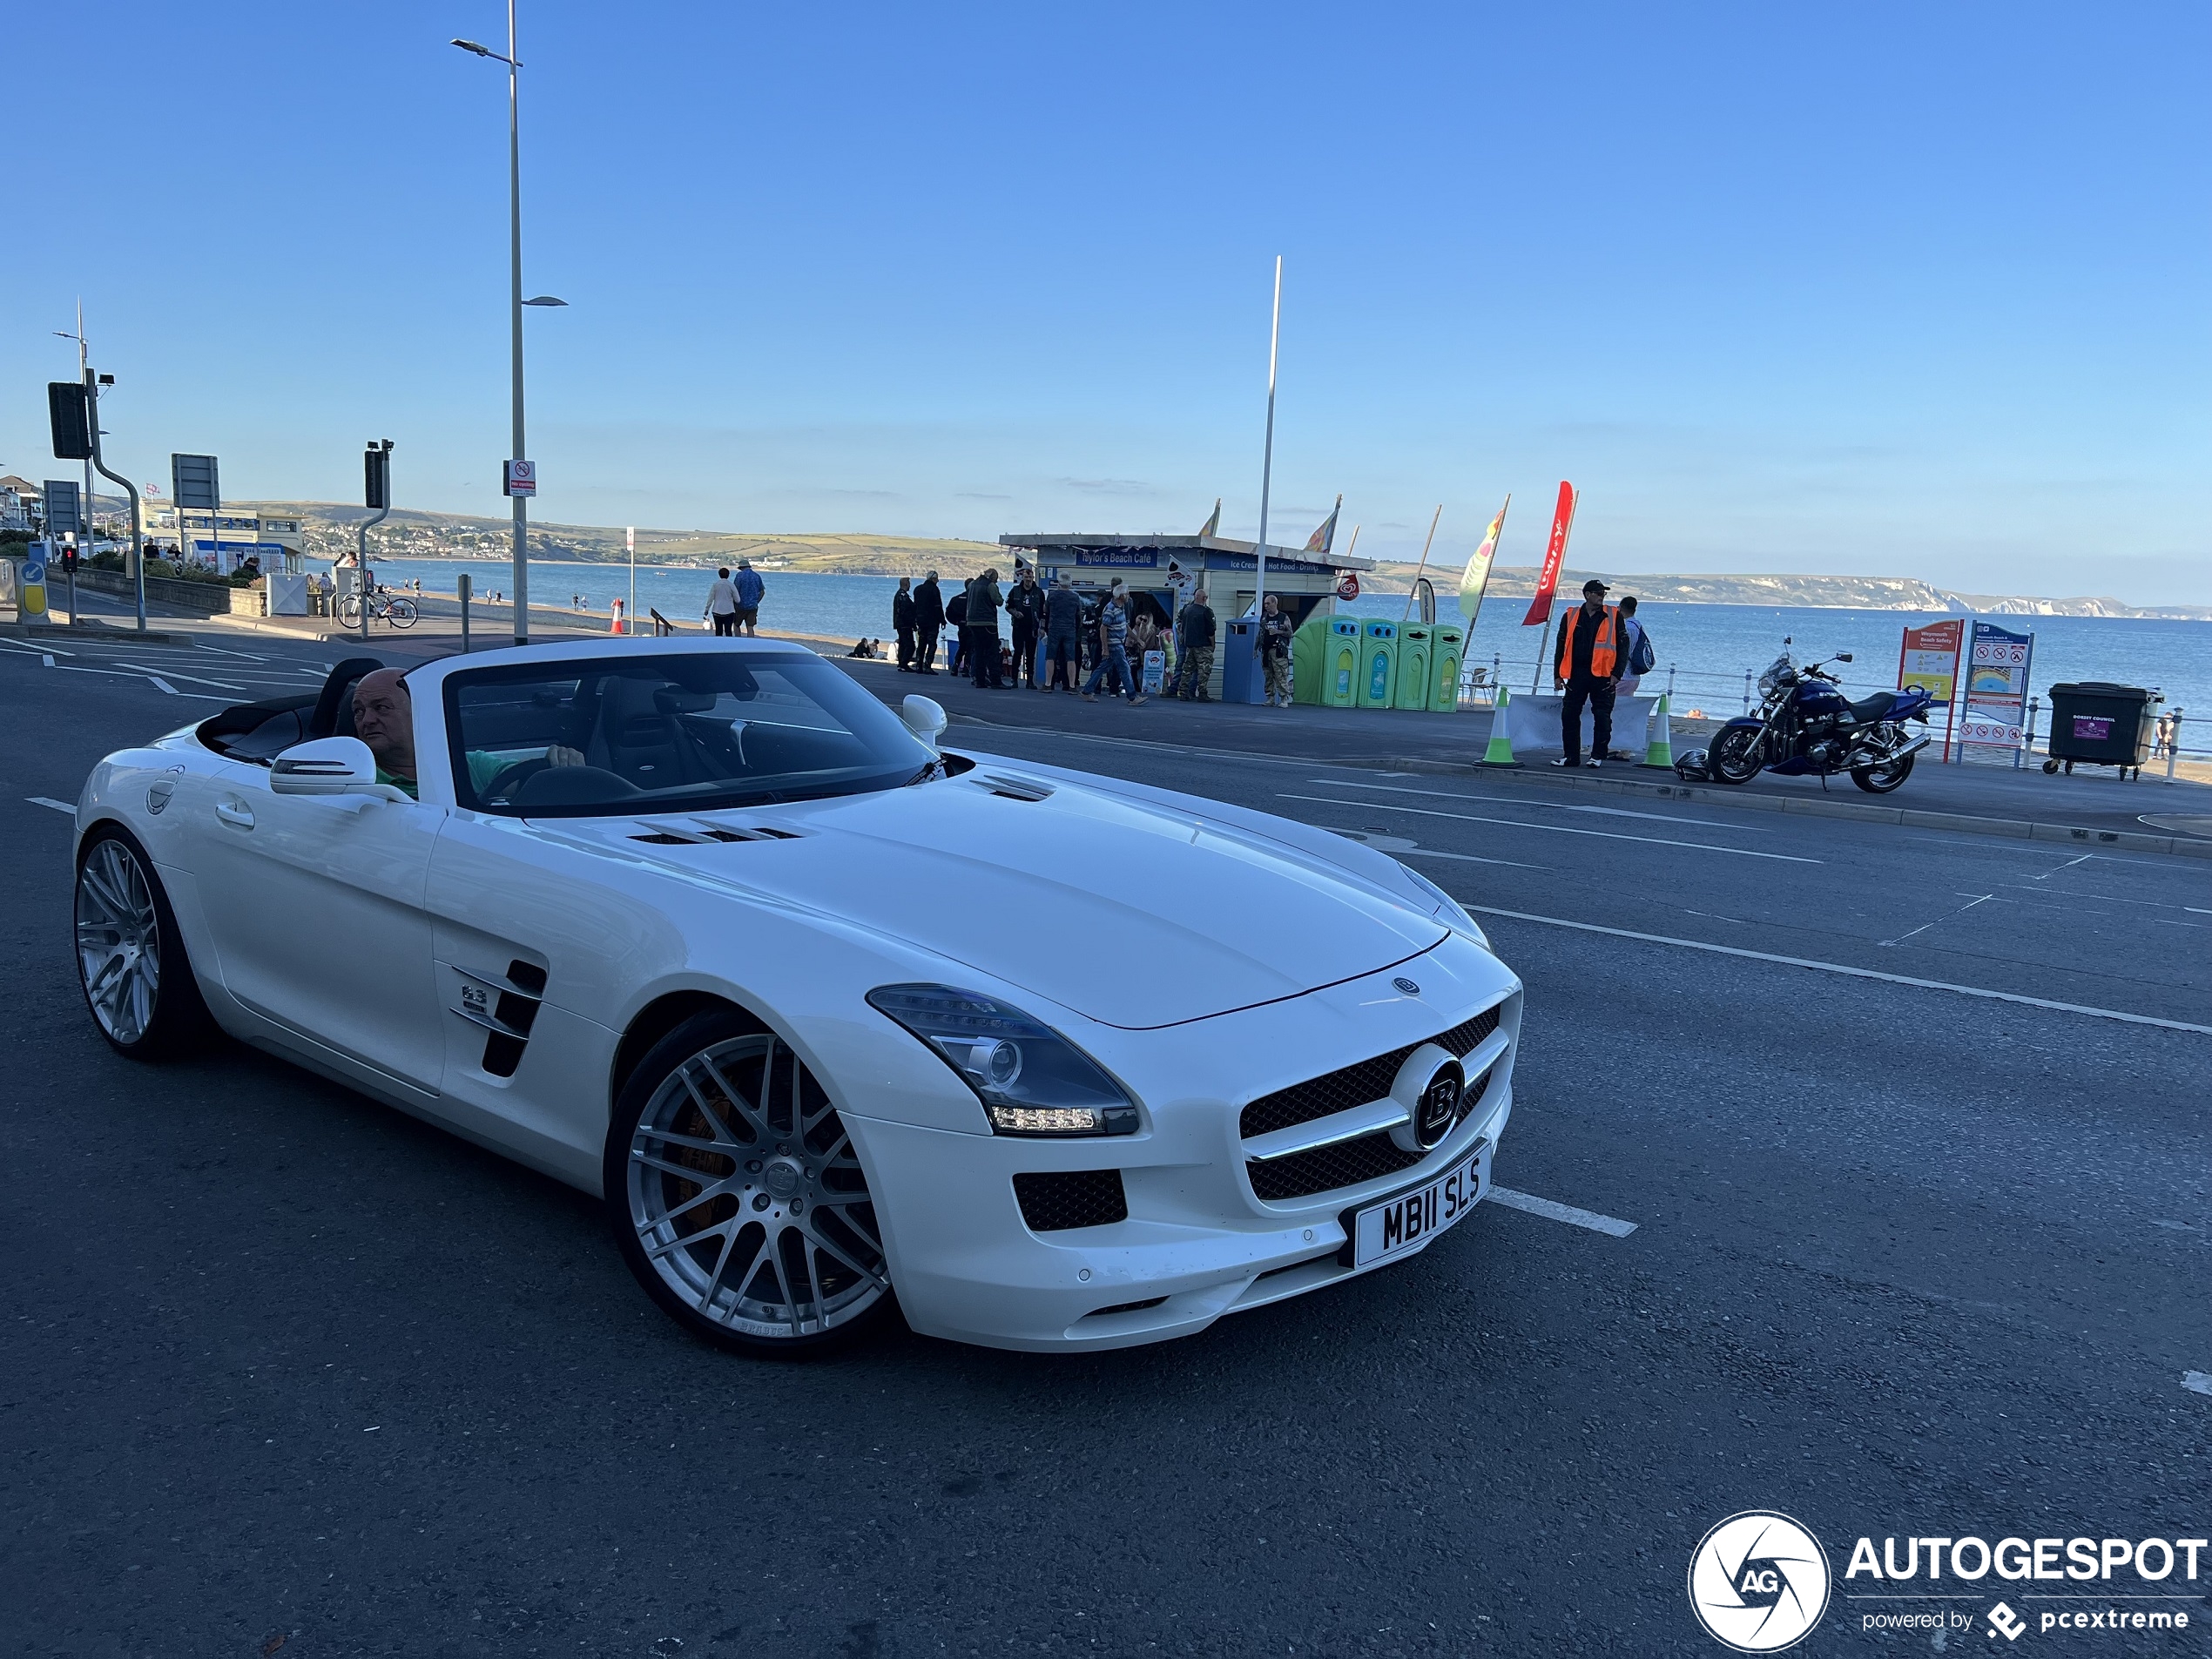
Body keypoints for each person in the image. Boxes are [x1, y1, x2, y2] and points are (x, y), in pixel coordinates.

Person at [351, 668, 583, 799]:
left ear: (421, 713)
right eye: (359, 711)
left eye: (381, 708)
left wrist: (561, 767)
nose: (367, 720)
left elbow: (522, 781)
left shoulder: (468, 764)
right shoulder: (351, 777)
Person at [1552, 578, 1626, 767]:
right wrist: (1557, 675)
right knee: (1569, 714)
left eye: (1604, 594)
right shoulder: (1570, 615)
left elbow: (1624, 646)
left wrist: (1617, 673)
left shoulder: (1614, 615)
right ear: (1587, 595)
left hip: (1603, 676)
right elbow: (1561, 645)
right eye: (1599, 593)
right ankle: (1571, 756)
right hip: (1577, 674)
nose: (1602, 597)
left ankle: (1597, 756)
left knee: (1602, 717)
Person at [1082, 582, 1146, 704]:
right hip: (1114, 644)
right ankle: (1132, 697)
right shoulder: (1110, 609)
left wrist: (1137, 639)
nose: (1128, 596)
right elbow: (1103, 628)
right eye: (1127, 594)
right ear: (1121, 596)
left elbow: (1125, 626)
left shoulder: (1120, 608)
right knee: (1125, 668)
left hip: (1117, 643)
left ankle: (1087, 690)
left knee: (1102, 668)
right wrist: (1105, 648)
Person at [1169, 587, 1216, 700]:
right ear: (1204, 598)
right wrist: (1212, 645)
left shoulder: (1187, 610)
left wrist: (1183, 638)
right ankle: (1202, 693)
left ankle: (1183, 692)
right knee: (1204, 670)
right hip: (1203, 646)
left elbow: (1179, 625)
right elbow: (1211, 631)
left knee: (1187, 669)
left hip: (1189, 645)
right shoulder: (1207, 611)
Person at [1043, 572, 1083, 691]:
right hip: (1070, 629)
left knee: (1051, 657)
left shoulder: (1052, 596)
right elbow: (1078, 615)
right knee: (1071, 658)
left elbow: (1045, 610)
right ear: (1070, 583)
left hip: (1054, 628)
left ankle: (1048, 684)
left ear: (1058, 583)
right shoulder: (1075, 597)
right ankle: (1071, 685)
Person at [1006, 566, 1044, 688]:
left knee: (1031, 654)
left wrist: (1042, 627)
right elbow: (1008, 606)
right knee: (1017, 652)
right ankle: (1014, 679)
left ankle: (1030, 681)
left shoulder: (1039, 592)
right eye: (1026, 577)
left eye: (1030, 577)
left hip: (1032, 627)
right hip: (1018, 626)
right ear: (1022, 577)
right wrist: (1015, 613)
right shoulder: (1015, 591)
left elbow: (1043, 612)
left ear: (1033, 578)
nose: (1028, 580)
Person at [967, 568, 1004, 688]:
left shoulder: (972, 584)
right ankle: (996, 681)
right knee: (992, 652)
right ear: (993, 577)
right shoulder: (990, 585)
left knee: (978, 652)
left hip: (972, 622)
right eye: (996, 579)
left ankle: (979, 680)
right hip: (987, 622)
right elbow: (998, 601)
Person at [1258, 592, 1294, 708]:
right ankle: (1270, 698)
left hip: (1278, 650)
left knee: (1281, 674)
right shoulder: (1264, 617)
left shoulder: (1283, 617)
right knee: (1268, 675)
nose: (1266, 606)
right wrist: (1256, 648)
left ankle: (1284, 698)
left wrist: (1278, 632)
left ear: (1275, 603)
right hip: (1266, 650)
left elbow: (1290, 633)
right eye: (1265, 604)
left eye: (1268, 603)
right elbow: (1260, 633)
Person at [1615, 595, 1654, 698]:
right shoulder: (1638, 626)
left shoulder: (1627, 628)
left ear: (1621, 608)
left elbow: (1623, 651)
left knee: (1613, 706)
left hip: (1624, 676)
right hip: (1634, 677)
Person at [913, 571, 944, 674]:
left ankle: (919, 665)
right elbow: (938, 606)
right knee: (932, 643)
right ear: (933, 579)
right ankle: (927, 665)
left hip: (921, 620)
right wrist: (942, 620)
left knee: (922, 643)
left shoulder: (918, 589)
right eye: (936, 579)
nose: (937, 581)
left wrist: (915, 619)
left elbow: (915, 606)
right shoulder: (934, 589)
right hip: (932, 621)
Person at [732, 558, 765, 635]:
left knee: (736, 625)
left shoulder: (739, 576)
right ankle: (751, 643)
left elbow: (735, 591)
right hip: (753, 606)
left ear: (741, 568)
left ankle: (738, 642)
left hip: (740, 605)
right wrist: (756, 602)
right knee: (750, 627)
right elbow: (762, 592)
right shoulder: (757, 576)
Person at [705, 567, 739, 637]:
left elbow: (710, 599)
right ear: (728, 575)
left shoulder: (715, 585)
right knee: (728, 630)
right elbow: (738, 600)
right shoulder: (731, 585)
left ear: (719, 575)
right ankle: (728, 645)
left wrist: (707, 609)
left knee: (718, 630)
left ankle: (718, 645)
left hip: (717, 610)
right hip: (729, 611)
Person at [944, 583, 968, 676]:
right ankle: (966, 667)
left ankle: (955, 666)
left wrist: (956, 622)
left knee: (962, 647)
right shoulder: (974, 599)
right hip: (970, 624)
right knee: (970, 647)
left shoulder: (957, 599)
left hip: (961, 625)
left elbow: (948, 612)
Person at [893, 577, 916, 671]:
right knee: (910, 645)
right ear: (906, 584)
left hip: (901, 623)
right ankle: (904, 663)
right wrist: (913, 623)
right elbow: (906, 612)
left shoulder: (900, 595)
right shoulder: (903, 596)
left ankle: (901, 663)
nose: (910, 585)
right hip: (904, 624)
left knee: (903, 644)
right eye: (909, 583)